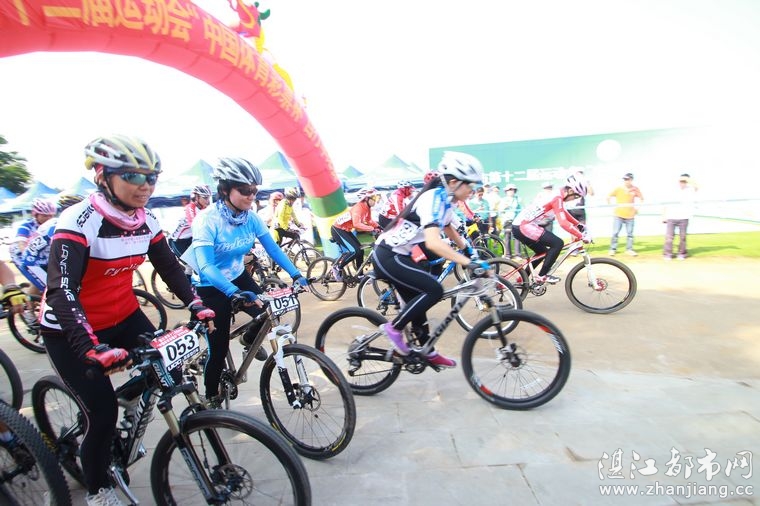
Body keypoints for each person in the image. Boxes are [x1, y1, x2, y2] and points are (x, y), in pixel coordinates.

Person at [40, 135, 215, 506]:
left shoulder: (146, 218)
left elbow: (169, 266)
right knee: (102, 414)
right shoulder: (80, 220)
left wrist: (196, 303)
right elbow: (61, 290)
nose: (145, 185)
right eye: (133, 176)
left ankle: (132, 402)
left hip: (124, 316)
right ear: (102, 176)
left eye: (151, 177)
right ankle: (98, 490)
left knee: (169, 370)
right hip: (71, 328)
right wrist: (89, 347)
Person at [185, 157, 308, 408]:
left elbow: (273, 249)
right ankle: (211, 398)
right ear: (224, 190)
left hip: (238, 275)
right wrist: (233, 292)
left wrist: (296, 274)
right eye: (244, 190)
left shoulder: (250, 218)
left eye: (254, 190)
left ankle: (248, 340)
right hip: (211, 285)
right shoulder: (207, 220)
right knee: (218, 349)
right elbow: (206, 266)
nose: (251, 195)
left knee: (268, 313)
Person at [373, 151, 493, 369]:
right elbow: (433, 243)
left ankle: (426, 350)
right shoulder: (432, 199)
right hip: (387, 255)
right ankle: (394, 328)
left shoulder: (447, 200)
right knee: (434, 289)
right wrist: (468, 263)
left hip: (401, 255)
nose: (473, 190)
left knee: (419, 302)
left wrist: (470, 253)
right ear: (454, 182)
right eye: (471, 185)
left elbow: (449, 229)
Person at [511, 174, 591, 284]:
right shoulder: (557, 198)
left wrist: (578, 224)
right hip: (523, 226)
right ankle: (542, 276)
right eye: (576, 196)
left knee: (542, 252)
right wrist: (581, 235)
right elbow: (563, 223)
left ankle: (522, 279)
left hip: (521, 226)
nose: (575, 199)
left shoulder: (558, 194)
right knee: (557, 243)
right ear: (571, 191)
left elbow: (563, 213)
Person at [17, 194, 84, 291]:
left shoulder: (64, 221)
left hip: (42, 261)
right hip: (33, 263)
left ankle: (30, 298)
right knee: (57, 291)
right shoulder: (60, 224)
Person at [330, 187, 381, 281]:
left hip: (345, 230)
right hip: (337, 229)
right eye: (374, 198)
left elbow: (369, 220)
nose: (376, 200)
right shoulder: (358, 208)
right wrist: (372, 229)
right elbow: (357, 224)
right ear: (366, 198)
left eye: (377, 197)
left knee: (360, 250)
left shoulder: (367, 208)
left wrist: (378, 226)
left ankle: (359, 276)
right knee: (355, 251)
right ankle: (337, 268)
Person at [8, 198, 57, 289]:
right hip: (22, 256)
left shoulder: (52, 225)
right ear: (35, 214)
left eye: (51, 216)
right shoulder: (26, 225)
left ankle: (31, 295)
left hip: (41, 256)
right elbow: (21, 244)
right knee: (46, 284)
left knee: (45, 281)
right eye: (45, 216)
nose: (48, 218)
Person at [169, 184, 212, 256]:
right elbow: (194, 225)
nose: (208, 201)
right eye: (205, 198)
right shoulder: (190, 208)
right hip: (178, 241)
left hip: (190, 239)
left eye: (208, 198)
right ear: (196, 197)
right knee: (190, 263)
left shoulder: (205, 208)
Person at [662, 173, 698, 261]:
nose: (682, 182)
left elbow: (697, 187)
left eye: (684, 181)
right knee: (669, 237)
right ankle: (668, 254)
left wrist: (688, 179)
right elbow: (666, 203)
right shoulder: (672, 189)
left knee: (683, 237)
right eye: (681, 181)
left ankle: (681, 254)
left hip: (684, 217)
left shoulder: (690, 189)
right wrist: (664, 216)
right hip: (671, 216)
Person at [608, 172, 644, 256]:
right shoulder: (618, 189)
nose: (626, 181)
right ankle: (612, 249)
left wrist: (637, 209)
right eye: (624, 179)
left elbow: (642, 199)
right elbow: (608, 197)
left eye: (627, 179)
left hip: (630, 216)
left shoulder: (635, 189)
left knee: (630, 234)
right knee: (615, 232)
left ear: (631, 180)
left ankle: (629, 249)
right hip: (618, 215)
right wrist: (612, 207)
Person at [497, 184, 522, 258]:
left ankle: (517, 254)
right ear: (506, 191)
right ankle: (508, 255)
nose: (511, 191)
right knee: (507, 237)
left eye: (513, 190)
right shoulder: (503, 200)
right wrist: (504, 207)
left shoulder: (517, 199)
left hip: (516, 221)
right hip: (507, 221)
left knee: (517, 237)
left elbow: (520, 209)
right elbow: (500, 210)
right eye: (509, 190)